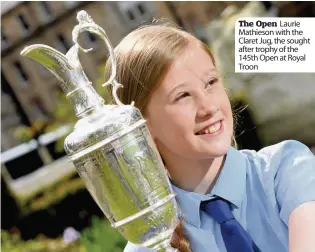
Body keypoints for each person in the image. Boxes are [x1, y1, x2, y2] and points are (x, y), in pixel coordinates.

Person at [104, 23, 315, 252]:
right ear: (141, 125)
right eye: (183, 95)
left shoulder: (287, 170)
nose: (208, 106)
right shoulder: (151, 246)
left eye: (211, 82)